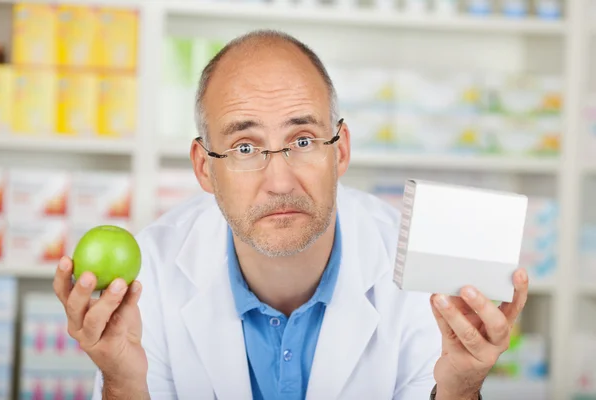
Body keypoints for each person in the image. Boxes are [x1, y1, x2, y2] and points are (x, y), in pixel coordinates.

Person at [53, 30, 528, 400]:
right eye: (244, 147)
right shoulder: (150, 273)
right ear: (204, 168)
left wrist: (462, 387)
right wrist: (121, 381)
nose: (279, 181)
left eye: (302, 141)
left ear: (340, 151)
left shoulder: (421, 275)